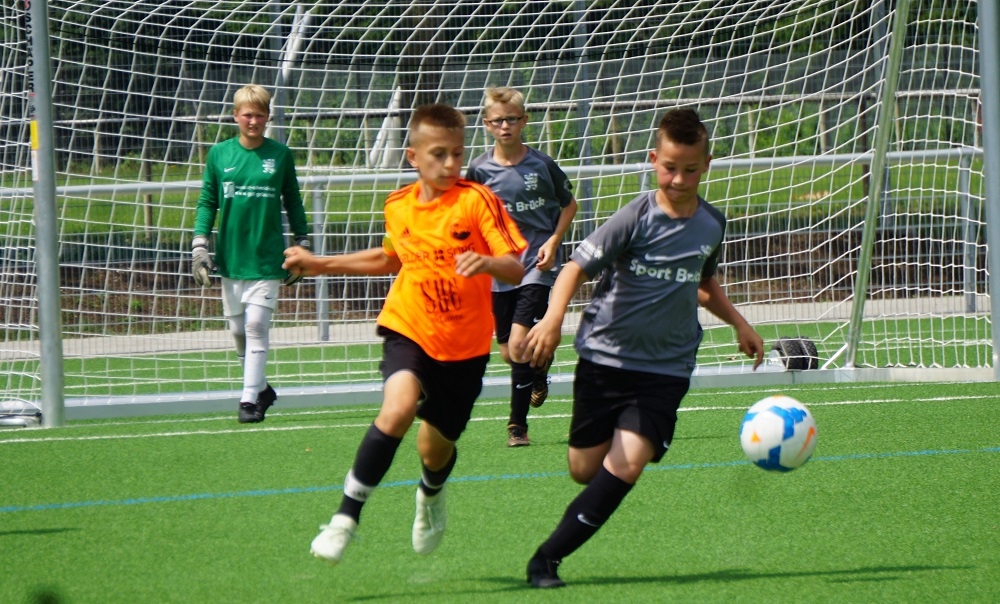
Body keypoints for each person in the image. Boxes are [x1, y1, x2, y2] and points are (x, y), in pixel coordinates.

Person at [518, 108, 766, 588]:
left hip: (666, 368)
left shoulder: (712, 224)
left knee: (628, 463)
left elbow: (703, 282)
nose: (679, 179)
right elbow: (573, 269)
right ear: (654, 160)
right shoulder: (634, 217)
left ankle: (546, 560)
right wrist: (551, 319)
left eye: (690, 169)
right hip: (605, 359)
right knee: (583, 469)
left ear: (706, 165)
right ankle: (612, 444)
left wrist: (740, 323)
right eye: (670, 168)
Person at [282, 103, 528, 565]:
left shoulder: (477, 200)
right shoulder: (398, 205)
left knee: (433, 450)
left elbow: (515, 267)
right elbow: (390, 258)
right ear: (413, 156)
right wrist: (318, 264)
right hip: (409, 326)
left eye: (457, 153)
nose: (451, 164)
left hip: (464, 347)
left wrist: (488, 263)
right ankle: (344, 519)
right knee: (395, 410)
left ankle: (431, 493)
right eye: (439, 154)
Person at [466, 87, 578, 448]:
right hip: (501, 269)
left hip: (537, 266)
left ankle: (517, 426)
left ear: (524, 121)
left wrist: (553, 241)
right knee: (509, 352)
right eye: (498, 121)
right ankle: (539, 370)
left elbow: (569, 204)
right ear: (487, 125)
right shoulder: (479, 170)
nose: (505, 126)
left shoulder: (542, 165)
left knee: (517, 344)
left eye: (512, 119)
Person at [192, 84, 311, 424]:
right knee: (238, 333)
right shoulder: (219, 154)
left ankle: (247, 401)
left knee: (256, 325)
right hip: (231, 257)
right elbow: (207, 202)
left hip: (267, 257)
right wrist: (199, 244)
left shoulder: (281, 155)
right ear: (235, 116)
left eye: (260, 115)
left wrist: (302, 243)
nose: (254, 121)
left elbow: (293, 200)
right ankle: (262, 390)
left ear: (268, 117)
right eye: (247, 115)